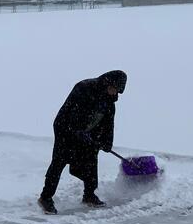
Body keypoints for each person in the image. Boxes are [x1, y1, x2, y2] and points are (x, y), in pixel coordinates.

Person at [38, 70, 127, 214]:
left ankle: (89, 195)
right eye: (114, 88)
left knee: (91, 159)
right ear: (107, 82)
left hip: (87, 133)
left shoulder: (109, 102)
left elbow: (108, 124)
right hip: (65, 128)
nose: (114, 92)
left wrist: (106, 142)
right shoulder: (85, 87)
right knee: (59, 161)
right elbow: (73, 111)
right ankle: (45, 197)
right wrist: (78, 130)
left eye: (117, 91)